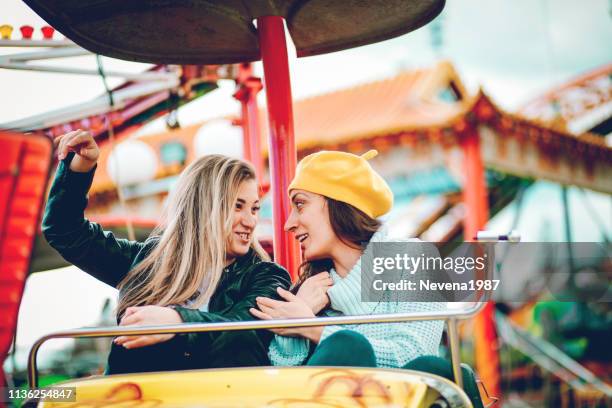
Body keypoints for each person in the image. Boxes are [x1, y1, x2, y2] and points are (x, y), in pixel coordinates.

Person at [43, 130, 291, 374]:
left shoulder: (266, 276)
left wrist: (177, 322)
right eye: (238, 207)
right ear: (204, 207)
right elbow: (65, 231)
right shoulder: (147, 262)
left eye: (255, 209)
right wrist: (79, 170)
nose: (250, 221)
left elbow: (246, 335)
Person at [250, 149, 446, 368]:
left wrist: (311, 327)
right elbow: (283, 382)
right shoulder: (310, 292)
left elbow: (416, 357)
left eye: (300, 204)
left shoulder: (414, 259)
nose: (289, 224)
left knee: (350, 345)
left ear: (339, 203)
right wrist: (295, 320)